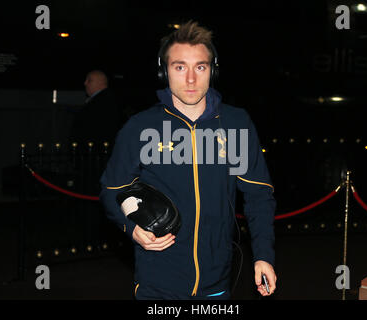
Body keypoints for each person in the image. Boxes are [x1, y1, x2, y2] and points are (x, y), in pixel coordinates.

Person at [99, 21, 277, 300]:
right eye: (180, 67)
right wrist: (132, 229)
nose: (191, 79)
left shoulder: (235, 123)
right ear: (164, 71)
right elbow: (111, 189)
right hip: (157, 284)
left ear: (213, 70)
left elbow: (258, 195)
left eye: (201, 67)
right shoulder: (140, 127)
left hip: (216, 283)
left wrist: (263, 255)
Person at [70, 70, 126, 147]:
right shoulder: (103, 100)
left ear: (100, 82)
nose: (85, 83)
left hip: (95, 152)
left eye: (89, 80)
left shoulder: (103, 102)